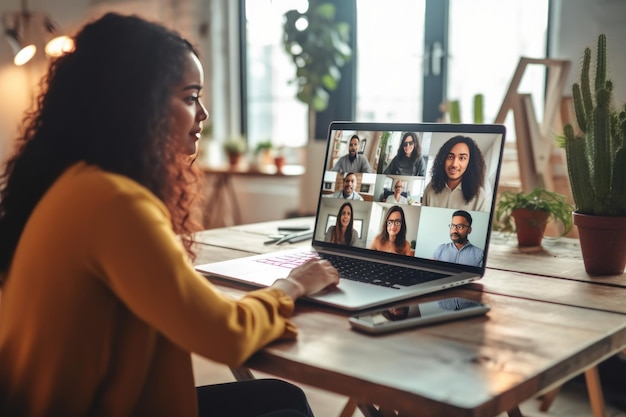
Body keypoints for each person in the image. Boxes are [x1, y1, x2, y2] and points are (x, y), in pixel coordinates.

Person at [0, 13, 339, 417]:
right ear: (137, 104)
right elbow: (224, 336)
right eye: (190, 97)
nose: (204, 115)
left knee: (282, 398)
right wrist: (291, 286)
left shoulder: (75, 182)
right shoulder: (113, 202)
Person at [422, 135, 489, 211]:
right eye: (450, 157)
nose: (454, 164)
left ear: (470, 162)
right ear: (443, 159)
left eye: (462, 158)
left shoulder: (480, 196)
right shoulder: (430, 189)